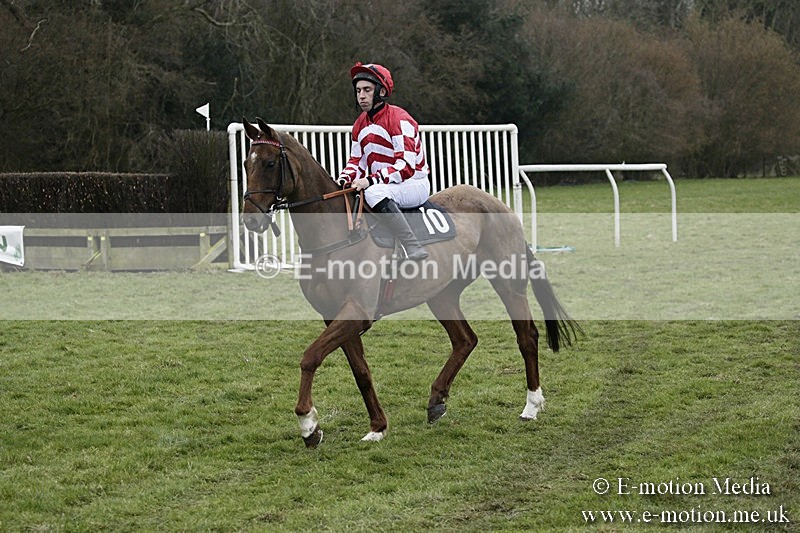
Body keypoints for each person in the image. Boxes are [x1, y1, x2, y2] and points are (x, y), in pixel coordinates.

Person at [336, 62, 430, 261]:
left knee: (373, 191)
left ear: (381, 91)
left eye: (367, 90)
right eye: (358, 90)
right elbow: (356, 161)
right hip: (385, 184)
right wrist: (343, 179)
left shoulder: (399, 119)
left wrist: (370, 180)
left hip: (413, 183)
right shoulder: (360, 123)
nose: (361, 95)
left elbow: (405, 166)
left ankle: (411, 245)